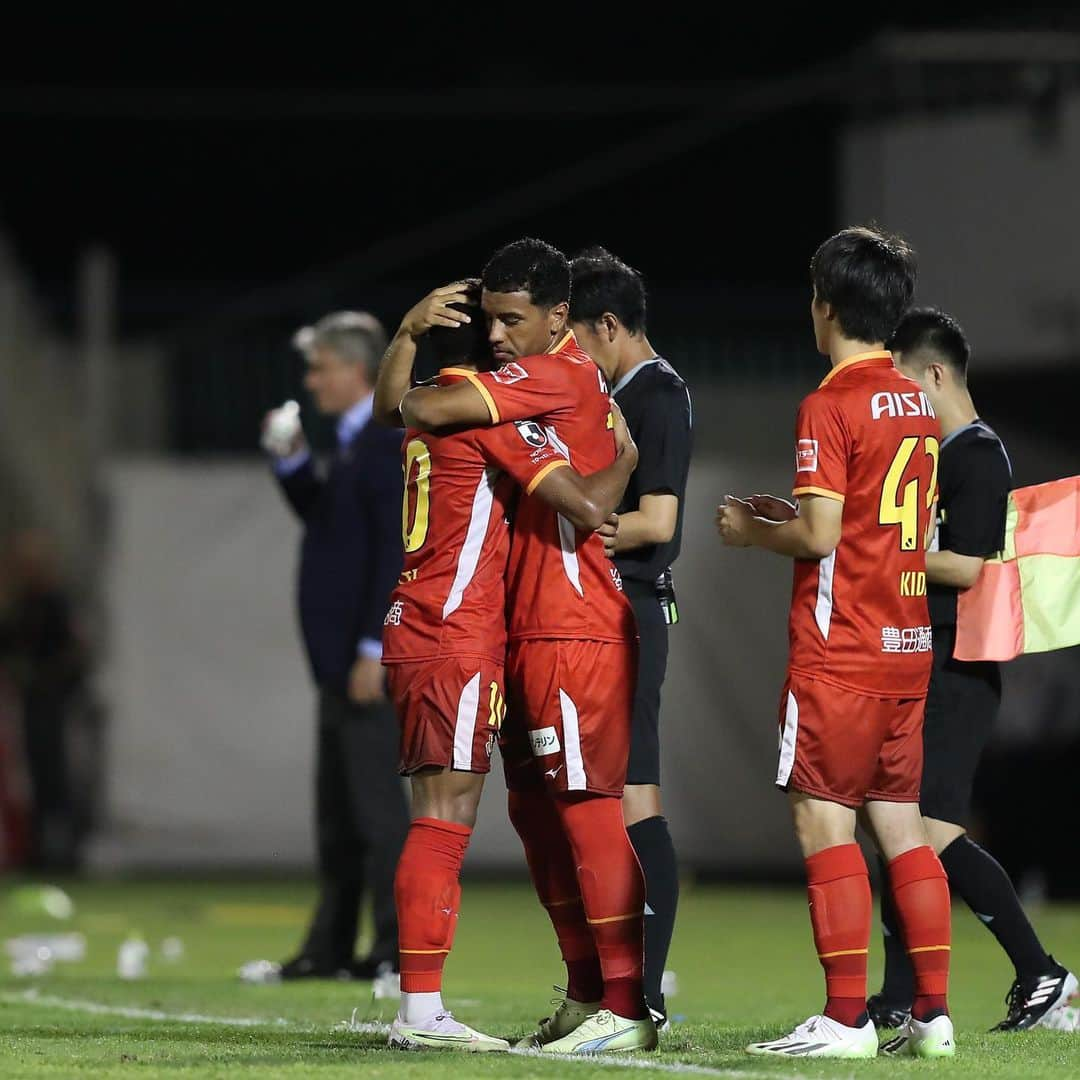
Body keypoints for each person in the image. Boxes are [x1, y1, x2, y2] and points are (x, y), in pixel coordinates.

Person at [400, 238, 658, 1054]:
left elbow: (418, 409)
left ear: (560, 318)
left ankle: (623, 1004)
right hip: (511, 630)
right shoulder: (515, 399)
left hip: (570, 625)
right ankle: (588, 994)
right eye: (492, 323)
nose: (503, 336)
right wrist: (621, 457)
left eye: (516, 319)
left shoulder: (552, 379)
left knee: (585, 812)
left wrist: (623, 465)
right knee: (539, 821)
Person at [717, 226, 953, 1059]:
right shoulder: (916, 401)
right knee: (902, 824)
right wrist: (801, 522)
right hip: (905, 639)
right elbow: (882, 525)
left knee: (825, 823)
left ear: (827, 305)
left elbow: (821, 536)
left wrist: (751, 531)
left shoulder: (828, 400)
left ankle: (846, 1019)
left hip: (841, 649)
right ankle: (932, 1017)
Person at [869, 307, 1077, 1032]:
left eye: (900, 382)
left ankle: (1043, 972)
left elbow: (962, 562)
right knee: (892, 830)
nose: (894, 400)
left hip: (959, 670)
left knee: (928, 832)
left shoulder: (977, 453)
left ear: (934, 374)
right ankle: (897, 1000)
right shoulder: (937, 454)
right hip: (927, 662)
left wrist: (878, 548)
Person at [262, 311, 409, 981]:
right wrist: (292, 464)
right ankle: (330, 948)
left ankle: (393, 951)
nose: (310, 381)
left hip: (363, 662)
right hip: (338, 662)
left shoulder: (383, 441)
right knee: (340, 815)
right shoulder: (355, 444)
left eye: (320, 367)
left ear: (357, 372)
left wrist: (373, 647)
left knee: (377, 814)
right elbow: (330, 525)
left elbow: (393, 553)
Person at [569, 246, 692, 1027]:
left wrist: (580, 520)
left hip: (635, 612)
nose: (568, 354)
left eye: (574, 334)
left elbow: (660, 518)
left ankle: (639, 1000)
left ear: (609, 325)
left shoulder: (659, 392)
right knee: (609, 800)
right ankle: (616, 996)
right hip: (610, 613)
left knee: (636, 799)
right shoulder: (625, 389)